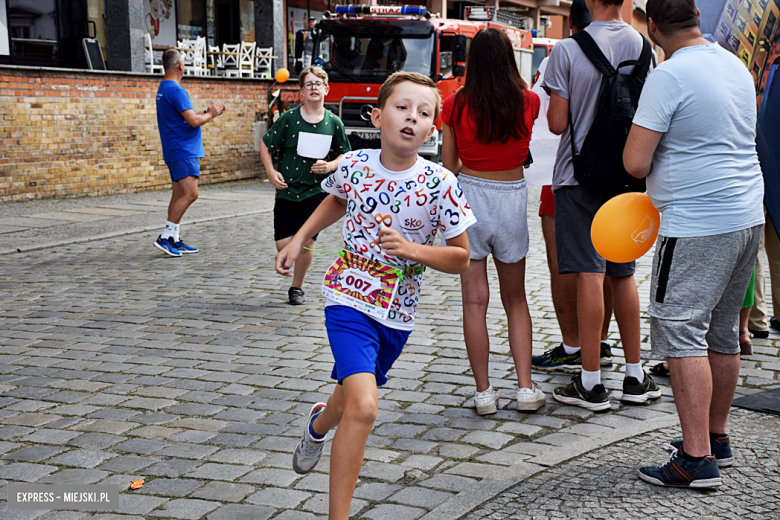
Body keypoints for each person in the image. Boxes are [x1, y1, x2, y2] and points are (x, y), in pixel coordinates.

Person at [275, 71, 474, 519]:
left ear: (433, 128)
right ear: (377, 115)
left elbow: (461, 258)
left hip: (396, 312)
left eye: (424, 113)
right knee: (364, 406)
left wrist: (413, 250)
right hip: (346, 295)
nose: (411, 118)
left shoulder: (441, 183)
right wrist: (298, 238)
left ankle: (318, 424)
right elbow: (337, 200)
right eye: (402, 108)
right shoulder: (355, 164)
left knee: (349, 395)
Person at [623, 0, 764, 488]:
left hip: (696, 222)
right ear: (698, 19)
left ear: (654, 26)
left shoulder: (669, 74)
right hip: (746, 214)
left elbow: (635, 163)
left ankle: (696, 457)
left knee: (680, 331)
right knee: (723, 332)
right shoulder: (733, 63)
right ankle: (716, 436)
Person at [543, 0, 660, 410]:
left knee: (589, 273)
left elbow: (557, 123)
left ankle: (591, 383)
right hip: (628, 176)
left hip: (578, 177)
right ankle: (634, 375)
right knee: (623, 274)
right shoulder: (647, 49)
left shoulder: (567, 50)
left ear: (590, 1)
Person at [441, 28, 544, 414]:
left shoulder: (454, 104)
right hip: (511, 197)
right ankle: (525, 388)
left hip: (469, 197)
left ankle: (484, 393)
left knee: (474, 301)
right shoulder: (529, 100)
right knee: (516, 299)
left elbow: (449, 166)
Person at [532, 0, 616, 374]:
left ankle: (573, 346)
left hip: (566, 171)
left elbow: (553, 122)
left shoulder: (562, 54)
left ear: (570, 24)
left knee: (568, 267)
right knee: (614, 267)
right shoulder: (636, 47)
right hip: (618, 173)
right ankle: (600, 342)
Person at [260, 66, 351, 305]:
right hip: (287, 190)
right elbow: (265, 143)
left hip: (317, 192)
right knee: (284, 243)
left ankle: (296, 287)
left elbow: (346, 155)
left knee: (307, 242)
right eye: (308, 84)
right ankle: (290, 262)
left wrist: (331, 166)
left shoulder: (334, 122)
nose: (313, 88)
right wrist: (271, 172)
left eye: (318, 84)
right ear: (301, 91)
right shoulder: (289, 119)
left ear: (326, 89)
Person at [154, 49, 225, 257]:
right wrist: (211, 114)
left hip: (175, 148)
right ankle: (166, 237)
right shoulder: (176, 90)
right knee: (190, 194)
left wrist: (205, 113)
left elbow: (187, 117)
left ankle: (174, 238)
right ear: (180, 66)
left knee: (178, 194)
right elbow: (193, 121)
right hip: (183, 149)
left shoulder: (164, 88)